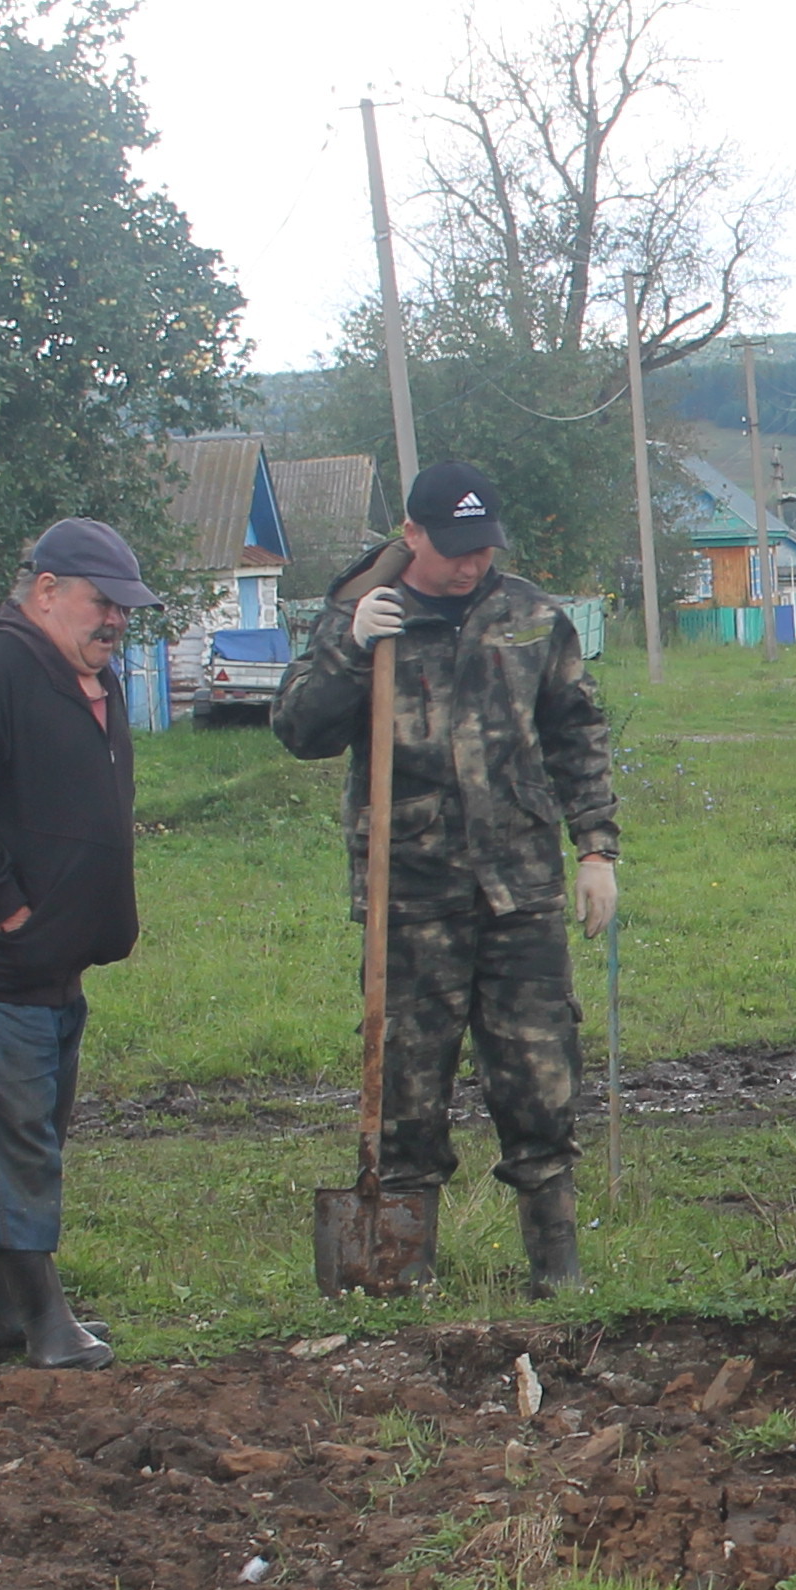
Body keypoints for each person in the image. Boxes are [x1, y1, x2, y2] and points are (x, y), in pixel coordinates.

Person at [272, 459, 620, 1295]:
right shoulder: (361, 618)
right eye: (455, 548)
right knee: (406, 1085)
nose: (471, 565)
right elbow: (299, 729)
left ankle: (557, 1268)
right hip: (411, 892)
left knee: (540, 1074)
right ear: (413, 535)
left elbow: (577, 730)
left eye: (484, 547)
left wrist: (597, 849)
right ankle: (399, 1266)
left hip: (520, 887)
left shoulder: (531, 616)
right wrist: (353, 652)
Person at [0, 515, 161, 1369]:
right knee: (15, 1142)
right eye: (104, 602)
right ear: (46, 591)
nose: (117, 620)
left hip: (52, 965)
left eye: (127, 607)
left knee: (10, 1136)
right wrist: (12, 913)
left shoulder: (91, 676)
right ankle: (47, 1325)